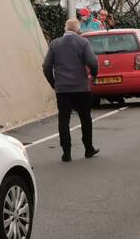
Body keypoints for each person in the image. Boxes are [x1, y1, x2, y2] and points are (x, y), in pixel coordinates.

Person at [42, 18, 100, 162]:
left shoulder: (55, 44)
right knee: (85, 119)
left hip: (62, 89)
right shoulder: (83, 43)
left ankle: (66, 152)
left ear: (65, 29)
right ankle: (88, 148)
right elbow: (93, 62)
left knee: (64, 120)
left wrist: (53, 83)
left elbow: (46, 66)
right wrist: (94, 75)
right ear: (78, 30)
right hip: (81, 88)